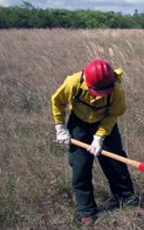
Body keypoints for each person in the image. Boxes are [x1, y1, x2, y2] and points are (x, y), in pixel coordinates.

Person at [51, 59, 136, 227]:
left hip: (104, 122)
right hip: (79, 125)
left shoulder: (117, 91)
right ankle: (87, 211)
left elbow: (113, 114)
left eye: (106, 90)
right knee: (80, 168)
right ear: (88, 84)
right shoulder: (73, 83)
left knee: (116, 163)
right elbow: (58, 102)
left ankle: (128, 200)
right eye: (99, 91)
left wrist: (100, 136)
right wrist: (60, 127)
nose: (103, 94)